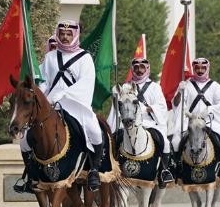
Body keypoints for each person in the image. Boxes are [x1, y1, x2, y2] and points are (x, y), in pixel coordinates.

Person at [16, 21, 103, 194]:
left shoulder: (85, 58)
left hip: (76, 105)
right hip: (50, 105)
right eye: (62, 33)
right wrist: (40, 95)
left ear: (75, 35)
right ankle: (31, 175)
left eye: (68, 33)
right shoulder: (50, 57)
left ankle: (94, 170)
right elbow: (44, 82)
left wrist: (63, 95)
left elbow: (86, 84)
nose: (64, 36)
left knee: (94, 130)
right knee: (25, 138)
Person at [108, 57, 174, 188]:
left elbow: (161, 107)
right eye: (136, 67)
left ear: (147, 69)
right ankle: (111, 168)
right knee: (114, 140)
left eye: (142, 67)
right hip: (128, 122)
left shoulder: (155, 87)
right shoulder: (125, 87)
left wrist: (148, 109)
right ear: (132, 69)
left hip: (149, 122)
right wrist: (115, 95)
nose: (139, 70)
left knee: (165, 142)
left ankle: (164, 171)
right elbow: (118, 107)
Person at [171, 57, 220, 184]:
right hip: (190, 120)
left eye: (203, 68)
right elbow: (176, 104)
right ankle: (176, 171)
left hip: (209, 121)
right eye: (197, 68)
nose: (200, 70)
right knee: (175, 141)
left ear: (207, 69)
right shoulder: (187, 85)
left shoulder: (215, 86)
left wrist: (209, 109)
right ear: (194, 69)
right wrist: (180, 91)